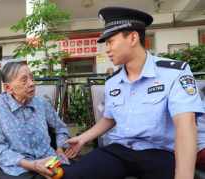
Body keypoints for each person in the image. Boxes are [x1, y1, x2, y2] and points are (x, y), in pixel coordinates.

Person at [63, 7, 204, 179]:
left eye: (111, 41)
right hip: (120, 150)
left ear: (132, 38)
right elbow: (110, 117)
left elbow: (186, 126)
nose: (106, 49)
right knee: (70, 175)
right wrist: (82, 138)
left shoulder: (174, 73)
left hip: (159, 153)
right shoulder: (112, 81)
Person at [0, 61, 70, 179]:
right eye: (24, 80)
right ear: (8, 88)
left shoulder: (41, 103)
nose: (31, 84)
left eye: (31, 78)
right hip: (14, 167)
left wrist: (60, 149)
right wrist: (32, 165)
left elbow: (61, 128)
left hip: (47, 160)